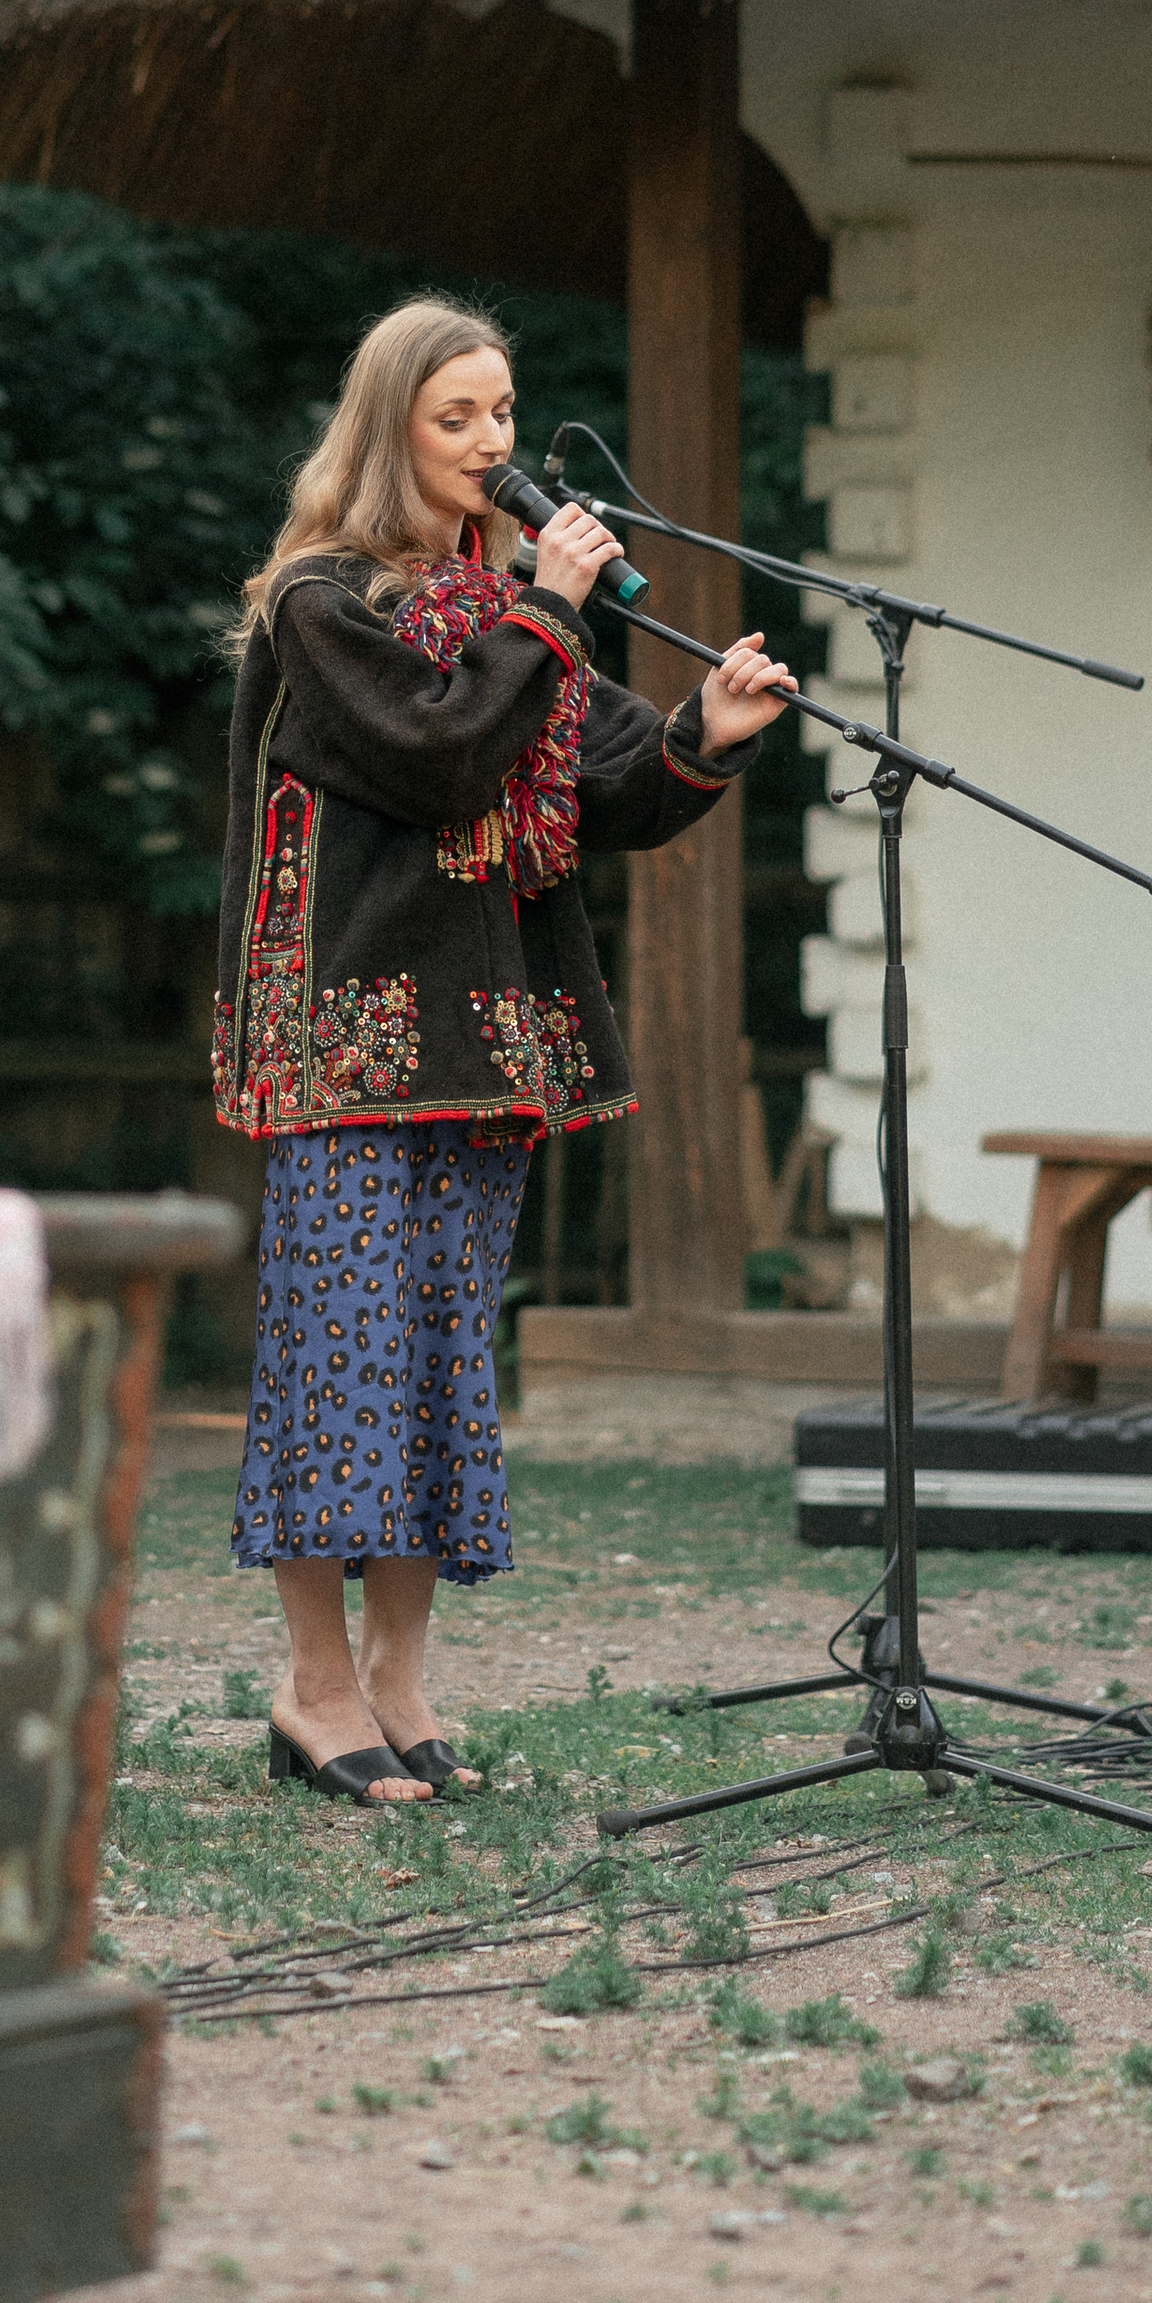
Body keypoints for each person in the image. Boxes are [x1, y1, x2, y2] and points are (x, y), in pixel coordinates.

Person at [212, 296, 796, 1804]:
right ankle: (314, 1690)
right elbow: (435, 752)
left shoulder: (502, 614)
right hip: (354, 1043)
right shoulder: (320, 604)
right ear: (389, 427)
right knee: (339, 1367)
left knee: (432, 1370)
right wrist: (546, 608)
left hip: (491, 1043)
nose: (494, 444)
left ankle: (401, 1686)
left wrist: (707, 735)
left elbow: (607, 782)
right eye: (457, 417)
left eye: (504, 414)